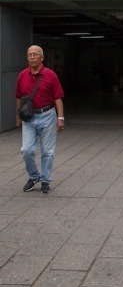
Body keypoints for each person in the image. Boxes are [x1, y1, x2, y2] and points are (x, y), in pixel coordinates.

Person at [15, 45, 65, 194]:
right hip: (29, 118)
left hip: (48, 115)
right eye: (29, 54)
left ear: (42, 58)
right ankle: (34, 176)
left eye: (35, 54)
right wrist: (18, 116)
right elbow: (19, 97)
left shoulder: (51, 75)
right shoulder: (22, 76)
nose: (32, 57)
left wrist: (60, 117)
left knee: (47, 152)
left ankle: (45, 180)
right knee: (26, 150)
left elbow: (58, 97)